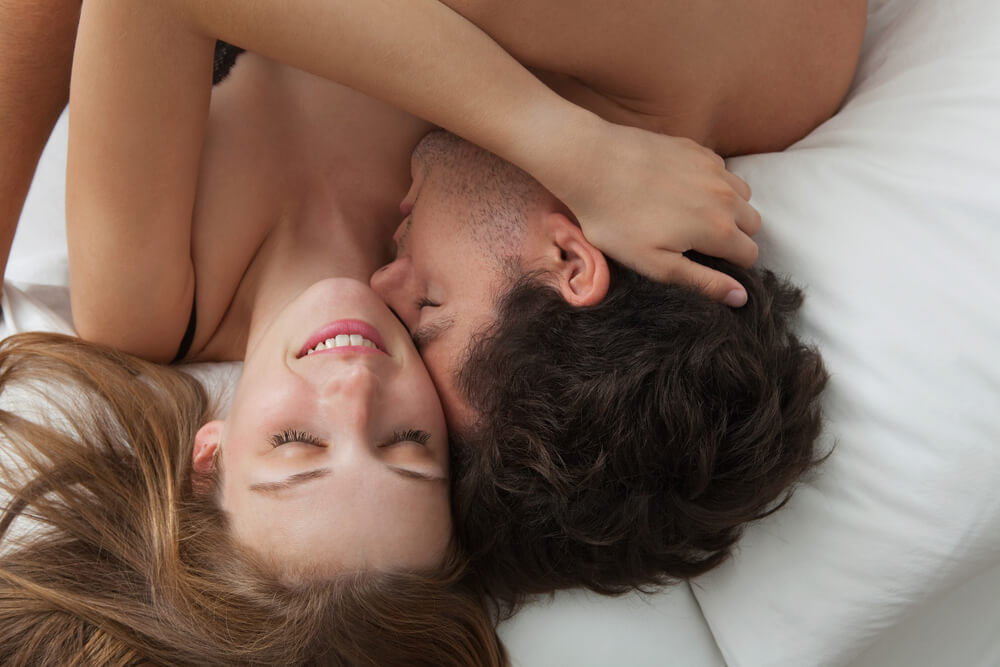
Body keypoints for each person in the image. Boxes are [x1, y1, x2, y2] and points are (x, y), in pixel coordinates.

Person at [370, 131, 830, 609]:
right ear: (569, 264)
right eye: (429, 302)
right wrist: (567, 144)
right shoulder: (767, 87)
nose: (380, 282)